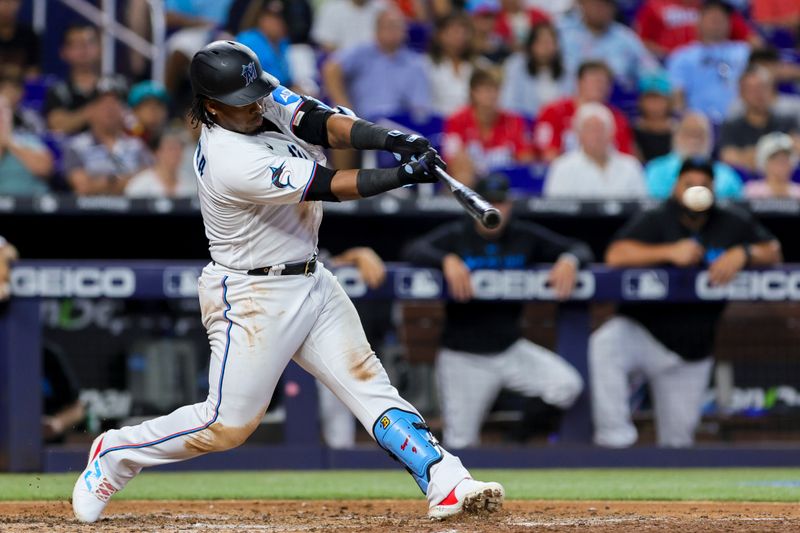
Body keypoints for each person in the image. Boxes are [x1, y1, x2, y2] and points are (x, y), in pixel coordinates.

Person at [71, 40, 504, 524]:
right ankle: (115, 454)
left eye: (256, 92)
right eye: (243, 99)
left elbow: (319, 121)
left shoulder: (255, 97)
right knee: (227, 424)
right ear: (212, 105)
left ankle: (446, 479)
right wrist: (400, 176)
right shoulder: (228, 157)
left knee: (369, 384)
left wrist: (390, 140)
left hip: (311, 278)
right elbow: (328, 184)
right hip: (252, 295)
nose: (257, 103)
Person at [591, 158, 782, 448]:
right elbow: (616, 254)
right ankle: (615, 439)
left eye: (704, 185)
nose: (696, 190)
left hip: (692, 350)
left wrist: (744, 252)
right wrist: (669, 251)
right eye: (689, 184)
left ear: (713, 189)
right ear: (676, 188)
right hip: (643, 331)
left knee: (677, 443)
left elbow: (773, 250)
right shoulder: (657, 216)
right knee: (605, 343)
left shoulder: (730, 220)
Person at [403, 174, 588, 448]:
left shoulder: (522, 234)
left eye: (502, 202)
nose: (496, 209)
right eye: (488, 202)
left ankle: (516, 441)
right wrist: (446, 259)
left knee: (566, 385)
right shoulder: (457, 234)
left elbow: (580, 247)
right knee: (461, 443)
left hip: (509, 348)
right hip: (463, 356)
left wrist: (569, 260)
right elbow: (412, 248)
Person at [321, 7, 430, 122]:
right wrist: (344, 109)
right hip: (364, 123)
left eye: (399, 27)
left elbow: (420, 108)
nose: (394, 31)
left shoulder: (414, 63)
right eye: (390, 26)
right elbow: (330, 68)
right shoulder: (362, 52)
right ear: (377, 30)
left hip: (399, 126)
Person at [442, 68, 534, 186]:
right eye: (486, 89)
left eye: (495, 89)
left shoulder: (514, 121)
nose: (491, 94)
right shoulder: (457, 120)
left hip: (505, 185)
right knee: (462, 175)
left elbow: (526, 159)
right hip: (471, 184)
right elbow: (454, 160)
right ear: (473, 92)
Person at [63, 77, 152, 196]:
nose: (109, 108)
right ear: (91, 109)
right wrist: (123, 180)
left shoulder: (136, 146)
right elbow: (83, 186)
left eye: (115, 102)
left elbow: (147, 182)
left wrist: (102, 182)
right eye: (102, 102)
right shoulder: (76, 146)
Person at [666, 0, 751, 123]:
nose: (717, 22)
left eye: (722, 17)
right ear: (699, 21)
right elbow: (676, 95)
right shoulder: (682, 56)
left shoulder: (744, 52)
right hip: (698, 125)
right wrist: (683, 121)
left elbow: (769, 72)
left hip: (740, 123)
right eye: (712, 17)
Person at [534, 61, 634, 163]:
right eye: (594, 81)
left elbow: (624, 156)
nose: (599, 87)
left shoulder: (616, 118)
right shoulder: (553, 112)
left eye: (604, 82)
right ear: (579, 82)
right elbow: (548, 154)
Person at [544, 103, 646, 199]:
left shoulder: (631, 167)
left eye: (601, 129)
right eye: (589, 130)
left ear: (612, 133)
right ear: (579, 135)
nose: (596, 136)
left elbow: (641, 207)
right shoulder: (562, 168)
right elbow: (555, 211)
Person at [557, 0, 659, 89]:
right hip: (566, 104)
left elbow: (653, 74)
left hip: (613, 106)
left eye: (607, 3)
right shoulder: (563, 32)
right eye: (596, 2)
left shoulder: (626, 38)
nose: (601, 8)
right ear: (582, 3)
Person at [719, 66, 800, 172]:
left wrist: (750, 155)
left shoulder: (787, 120)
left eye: (762, 87)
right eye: (751, 90)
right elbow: (729, 158)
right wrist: (777, 153)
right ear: (741, 93)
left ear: (772, 90)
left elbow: (797, 151)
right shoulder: (731, 126)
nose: (758, 94)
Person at [645, 112, 743, 199]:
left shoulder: (726, 175)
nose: (694, 140)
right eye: (689, 133)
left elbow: (736, 208)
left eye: (700, 134)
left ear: (710, 140)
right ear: (676, 136)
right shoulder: (656, 170)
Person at [634, 0, 757, 59]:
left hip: (714, 62)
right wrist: (671, 56)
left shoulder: (716, 8)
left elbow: (752, 40)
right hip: (667, 63)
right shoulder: (656, 5)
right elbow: (641, 42)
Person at [500, 21, 570, 118]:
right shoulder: (515, 65)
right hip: (524, 124)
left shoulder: (567, 69)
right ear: (531, 44)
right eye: (541, 42)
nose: (546, 47)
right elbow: (508, 104)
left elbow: (570, 102)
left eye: (550, 42)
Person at [44, 23, 102, 134]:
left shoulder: (116, 85)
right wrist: (91, 112)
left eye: (89, 43)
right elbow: (57, 125)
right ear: (64, 52)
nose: (84, 49)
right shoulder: (57, 91)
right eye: (77, 45)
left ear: (99, 48)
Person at [0, 72, 53, 196]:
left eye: (5, 110)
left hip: (30, 205)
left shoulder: (28, 140)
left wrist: (9, 143)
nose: (1, 116)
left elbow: (45, 169)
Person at [424, 13, 480, 117]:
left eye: (464, 32)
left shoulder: (479, 66)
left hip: (469, 124)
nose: (460, 36)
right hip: (437, 123)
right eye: (455, 32)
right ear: (440, 35)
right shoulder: (425, 65)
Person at [236, 0, 295, 90]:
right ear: (260, 17)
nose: (276, 22)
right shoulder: (247, 40)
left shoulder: (283, 42)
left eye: (280, 18)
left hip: (279, 93)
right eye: (270, 16)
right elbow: (245, 81)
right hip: (255, 94)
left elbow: (286, 78)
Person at [125, 129, 196, 198]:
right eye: (171, 148)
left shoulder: (191, 184)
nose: (176, 153)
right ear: (157, 152)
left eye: (179, 149)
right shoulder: (140, 184)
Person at [311, 0, 387, 53]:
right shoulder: (331, 9)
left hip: (376, 62)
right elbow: (325, 43)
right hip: (340, 64)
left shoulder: (383, 9)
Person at [633, 73, 675, 163]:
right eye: (650, 99)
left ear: (668, 101)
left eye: (659, 99)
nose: (655, 104)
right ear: (641, 102)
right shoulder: (632, 131)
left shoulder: (678, 130)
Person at [745, 132, 800, 199]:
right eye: (775, 159)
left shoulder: (798, 193)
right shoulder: (751, 191)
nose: (781, 163)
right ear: (764, 163)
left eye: (785, 159)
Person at [0, 0, 40, 78]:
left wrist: (15, 72)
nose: (7, 6)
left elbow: (34, 74)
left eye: (12, 1)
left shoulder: (29, 36)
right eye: (3, 1)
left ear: (19, 3)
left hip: (20, 88)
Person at [127, 80, 170, 151]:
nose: (154, 111)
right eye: (147, 105)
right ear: (135, 111)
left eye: (159, 105)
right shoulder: (127, 139)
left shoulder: (172, 140)